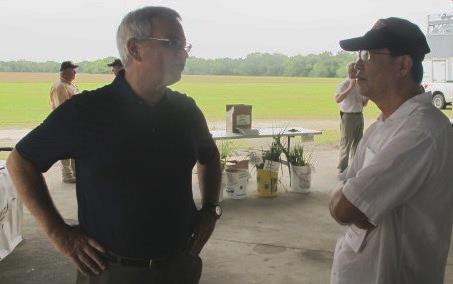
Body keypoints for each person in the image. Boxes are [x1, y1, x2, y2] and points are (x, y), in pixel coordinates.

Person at [7, 6, 221, 284]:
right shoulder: (87, 111)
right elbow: (20, 162)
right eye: (172, 44)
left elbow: (210, 156)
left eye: (185, 45)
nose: (184, 53)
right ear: (135, 49)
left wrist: (210, 209)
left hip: (180, 265)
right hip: (112, 271)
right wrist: (59, 233)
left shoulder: (187, 111)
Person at [329, 17, 453, 284]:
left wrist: (354, 200)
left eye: (370, 54)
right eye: (360, 53)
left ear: (403, 65)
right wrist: (354, 198)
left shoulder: (420, 132)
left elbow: (344, 209)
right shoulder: (384, 124)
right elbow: (347, 192)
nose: (358, 63)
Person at [335, 62, 368, 174]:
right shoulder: (343, 84)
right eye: (352, 71)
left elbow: (363, 103)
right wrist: (350, 87)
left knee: (358, 143)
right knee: (346, 142)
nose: (354, 73)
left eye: (355, 71)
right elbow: (337, 99)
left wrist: (367, 96)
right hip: (347, 116)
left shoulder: (360, 84)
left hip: (359, 115)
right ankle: (343, 168)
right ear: (348, 71)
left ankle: (355, 167)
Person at [49, 61, 79, 183]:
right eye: (73, 70)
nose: (75, 72)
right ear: (65, 71)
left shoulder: (70, 85)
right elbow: (63, 108)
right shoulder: (60, 86)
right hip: (65, 123)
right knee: (66, 150)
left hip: (73, 122)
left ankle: (76, 173)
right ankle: (67, 175)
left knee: (74, 149)